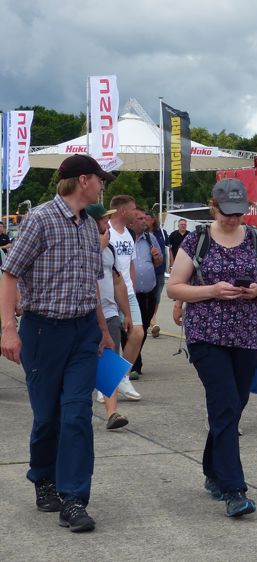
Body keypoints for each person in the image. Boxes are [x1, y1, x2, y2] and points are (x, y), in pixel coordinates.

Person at [0, 154, 116, 533]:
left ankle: (74, 498)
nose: (103, 185)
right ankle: (43, 478)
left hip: (82, 332)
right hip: (42, 332)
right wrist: (8, 328)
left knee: (77, 414)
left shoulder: (89, 227)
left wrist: (102, 329)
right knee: (48, 416)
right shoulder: (41, 219)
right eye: (100, 179)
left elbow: (92, 284)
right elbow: (9, 274)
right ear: (83, 180)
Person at [166, 178, 257, 518]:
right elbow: (174, 288)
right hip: (206, 336)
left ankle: (212, 471)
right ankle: (234, 489)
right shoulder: (196, 240)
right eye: (227, 213)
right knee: (226, 403)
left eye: (239, 213)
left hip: (246, 336)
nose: (233, 219)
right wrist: (212, 291)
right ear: (213, 207)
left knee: (234, 405)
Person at [87, 203, 133, 430]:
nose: (107, 223)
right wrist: (97, 248)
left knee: (109, 362)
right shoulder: (84, 246)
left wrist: (126, 312)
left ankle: (112, 412)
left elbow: (117, 281)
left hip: (110, 312)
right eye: (104, 220)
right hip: (85, 314)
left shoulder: (110, 249)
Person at [108, 195, 145, 392]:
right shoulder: (106, 231)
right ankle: (107, 387)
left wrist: (132, 289)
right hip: (109, 293)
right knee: (110, 340)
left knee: (137, 333)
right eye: (132, 210)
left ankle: (119, 377)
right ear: (122, 211)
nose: (135, 213)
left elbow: (131, 264)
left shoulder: (127, 233)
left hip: (128, 292)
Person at [132, 210, 164, 377]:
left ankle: (134, 358)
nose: (144, 221)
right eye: (140, 219)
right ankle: (134, 363)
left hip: (148, 292)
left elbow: (159, 261)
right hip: (131, 293)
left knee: (143, 328)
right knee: (131, 329)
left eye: (145, 218)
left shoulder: (150, 239)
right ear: (132, 221)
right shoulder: (125, 239)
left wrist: (157, 257)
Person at [147, 211, 168, 338]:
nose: (145, 221)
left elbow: (166, 251)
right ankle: (152, 321)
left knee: (157, 297)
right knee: (147, 297)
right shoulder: (140, 234)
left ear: (153, 220)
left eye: (147, 219)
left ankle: (152, 318)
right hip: (147, 272)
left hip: (159, 271)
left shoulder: (162, 233)